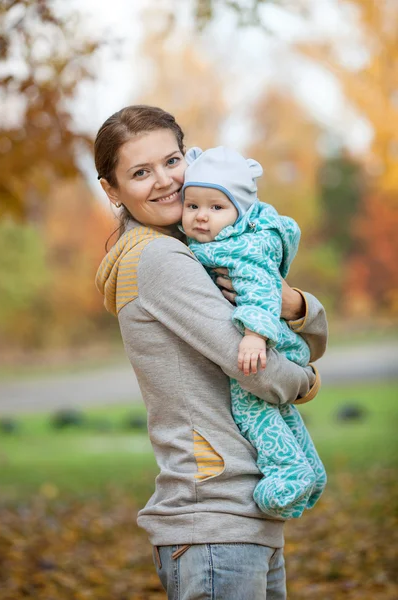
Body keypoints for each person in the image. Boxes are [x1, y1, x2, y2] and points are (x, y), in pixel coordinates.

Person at [95, 105, 328, 600]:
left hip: (240, 517)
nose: (165, 182)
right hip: (213, 519)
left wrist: (295, 304)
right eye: (140, 172)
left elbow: (293, 332)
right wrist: (307, 380)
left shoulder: (208, 246)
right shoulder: (160, 259)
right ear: (111, 190)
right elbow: (261, 372)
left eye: (172, 161)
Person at [181, 146, 327, 520]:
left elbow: (261, 287)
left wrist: (254, 335)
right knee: (281, 413)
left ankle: (289, 473)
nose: (201, 217)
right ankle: (310, 469)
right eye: (192, 205)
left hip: (265, 340)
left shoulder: (238, 247)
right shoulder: (237, 237)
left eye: (216, 208)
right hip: (283, 342)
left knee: (252, 409)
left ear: (239, 213)